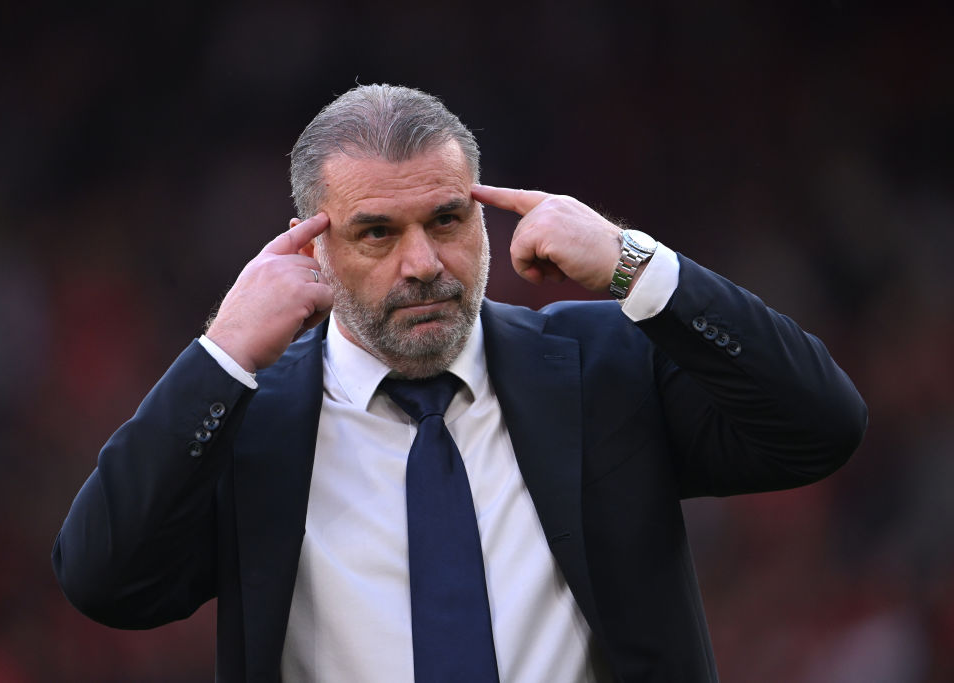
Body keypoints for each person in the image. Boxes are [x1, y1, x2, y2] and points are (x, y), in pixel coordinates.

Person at [52, 84, 867, 683]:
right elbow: (104, 578)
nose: (423, 263)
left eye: (446, 220)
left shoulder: (603, 366)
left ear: (483, 218)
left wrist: (631, 262)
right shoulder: (249, 419)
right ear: (314, 251)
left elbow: (820, 423)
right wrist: (222, 352)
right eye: (376, 232)